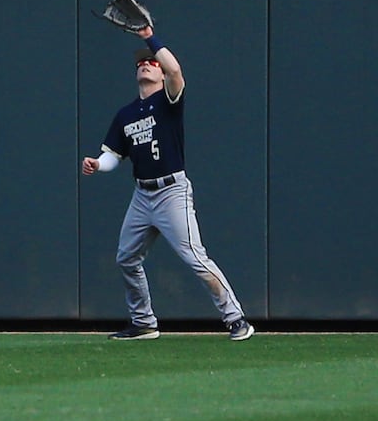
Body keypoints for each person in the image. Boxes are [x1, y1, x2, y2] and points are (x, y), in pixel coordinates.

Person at [80, 23, 253, 342]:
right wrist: (97, 164)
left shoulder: (168, 101)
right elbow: (113, 156)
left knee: (195, 257)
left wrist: (149, 37)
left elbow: (176, 69)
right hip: (142, 195)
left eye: (152, 62)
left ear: (160, 75)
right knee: (126, 258)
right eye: (141, 63)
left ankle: (235, 317)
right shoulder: (126, 115)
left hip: (172, 191)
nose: (146, 64)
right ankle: (144, 322)